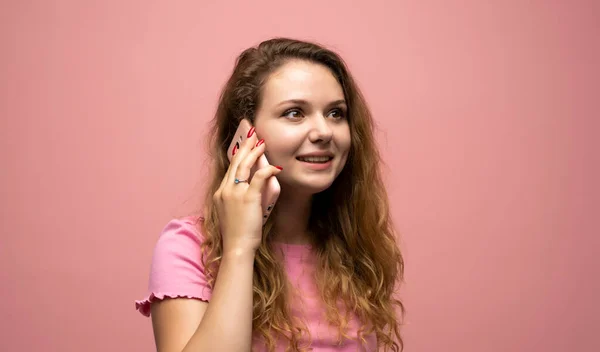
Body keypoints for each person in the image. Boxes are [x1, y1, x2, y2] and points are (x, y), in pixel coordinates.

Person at [135, 37, 405, 352]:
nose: (324, 132)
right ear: (245, 136)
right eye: (294, 113)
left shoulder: (353, 247)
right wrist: (239, 248)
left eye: (335, 113)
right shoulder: (189, 248)